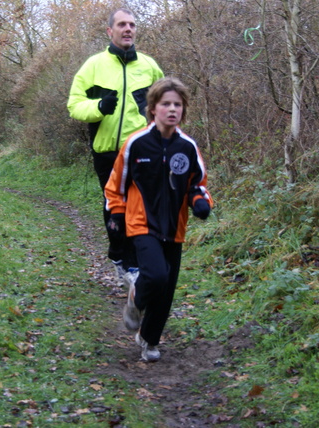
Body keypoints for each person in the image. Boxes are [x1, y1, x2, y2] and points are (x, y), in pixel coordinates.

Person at [104, 77, 213, 362]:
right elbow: (116, 184)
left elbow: (197, 184)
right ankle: (135, 300)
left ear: (183, 110)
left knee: (165, 291)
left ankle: (148, 340)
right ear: (153, 108)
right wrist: (116, 213)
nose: (172, 109)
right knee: (156, 275)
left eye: (177, 104)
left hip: (174, 228)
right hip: (141, 223)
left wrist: (200, 201)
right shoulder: (136, 143)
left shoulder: (188, 147)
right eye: (166, 104)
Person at [67, 8, 164, 284]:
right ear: (110, 31)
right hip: (107, 151)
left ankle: (136, 263)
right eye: (122, 25)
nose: (128, 29)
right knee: (115, 206)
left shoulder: (149, 66)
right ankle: (120, 255)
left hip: (142, 150)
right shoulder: (93, 66)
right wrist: (98, 106)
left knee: (141, 204)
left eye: (132, 25)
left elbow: (166, 105)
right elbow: (74, 105)